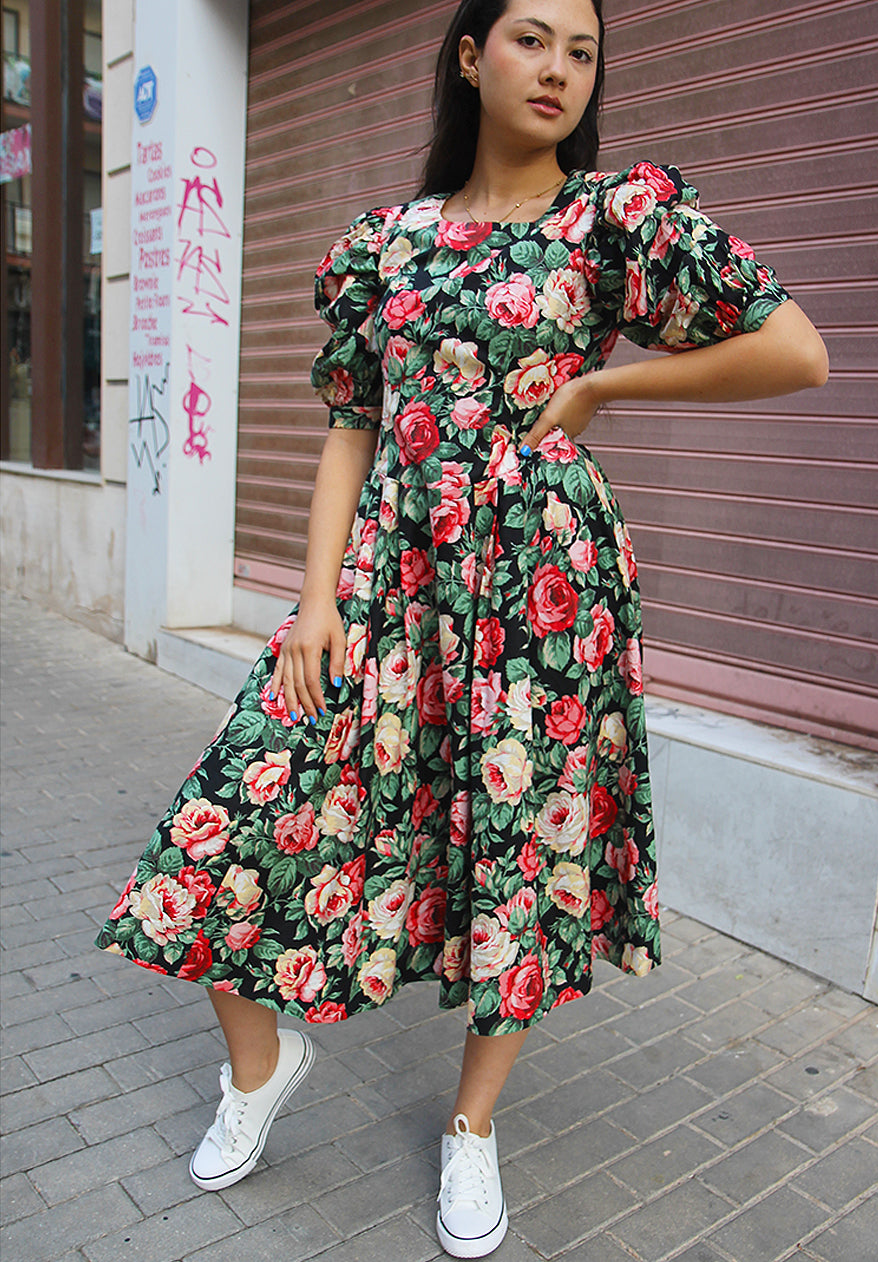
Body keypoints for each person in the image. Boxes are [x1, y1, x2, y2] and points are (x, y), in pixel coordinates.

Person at [95, 0, 828, 1255]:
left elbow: (793, 351)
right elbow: (350, 425)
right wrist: (315, 597)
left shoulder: (615, 217)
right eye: (531, 38)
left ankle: (473, 1128)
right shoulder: (385, 243)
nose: (557, 69)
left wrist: (604, 380)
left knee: (519, 854)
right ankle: (261, 1066)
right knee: (233, 818)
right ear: (467, 54)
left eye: (582, 51)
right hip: (388, 576)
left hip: (542, 584)